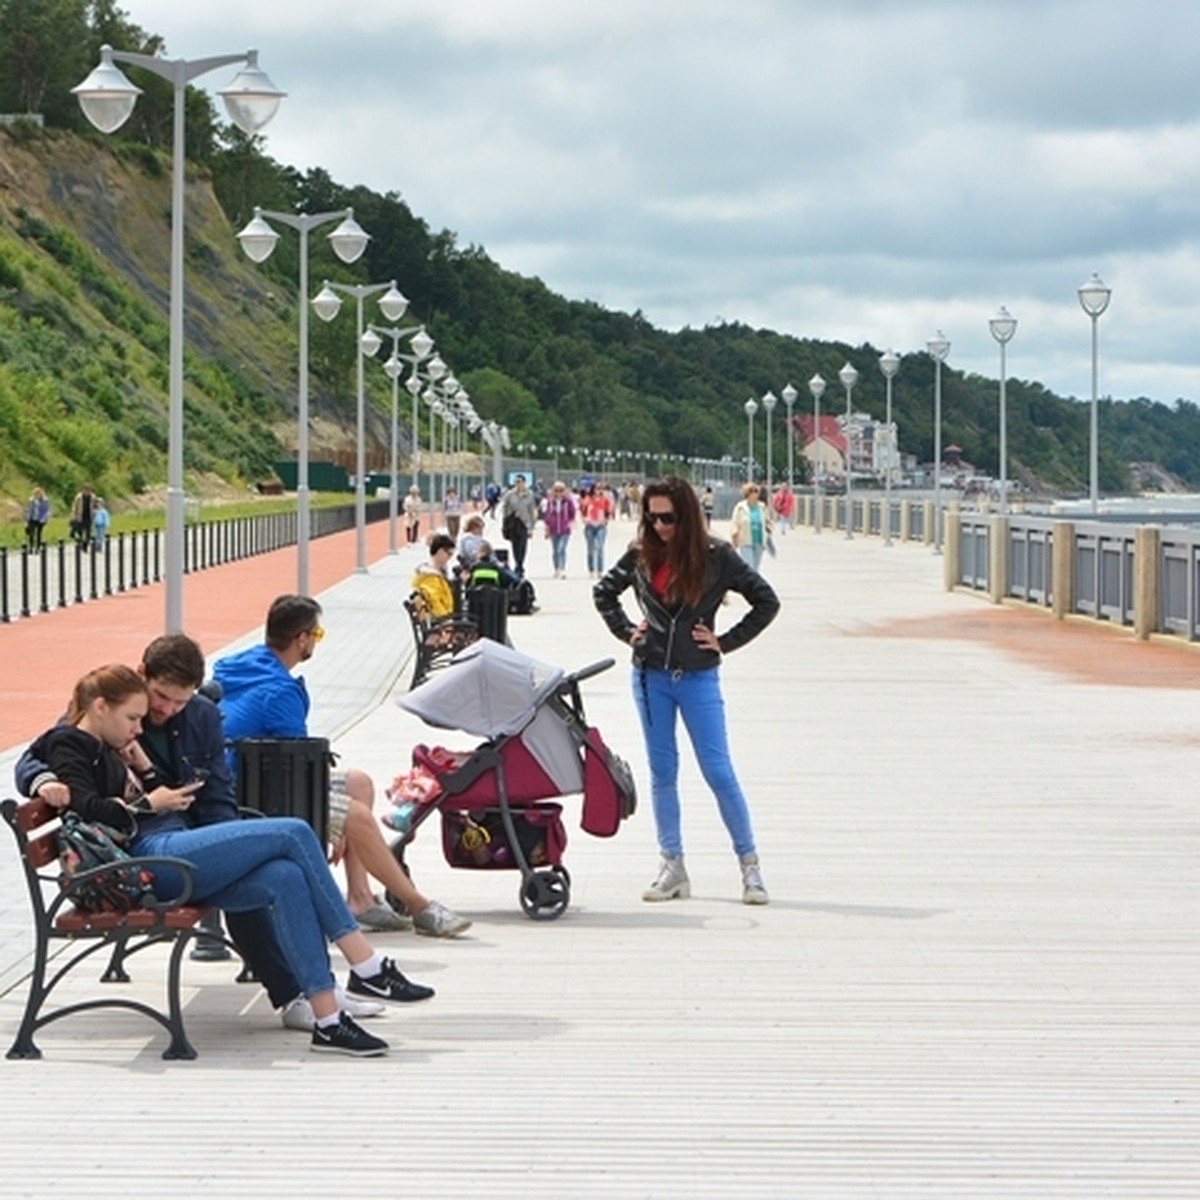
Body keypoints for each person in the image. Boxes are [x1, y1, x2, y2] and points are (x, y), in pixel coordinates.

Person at [28, 663, 435, 1056]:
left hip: (175, 847)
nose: (140, 726)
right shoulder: (74, 741)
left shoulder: (117, 743)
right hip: (155, 860)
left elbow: (146, 794)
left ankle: (327, 1022)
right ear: (102, 707)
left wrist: (146, 769)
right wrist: (46, 781)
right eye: (132, 718)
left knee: (286, 874)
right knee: (294, 831)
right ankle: (367, 965)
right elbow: (81, 799)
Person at [214, 595, 472, 939]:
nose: (316, 643)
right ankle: (420, 907)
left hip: (249, 778)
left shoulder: (243, 666)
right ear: (301, 639)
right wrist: (330, 823)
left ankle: (360, 899)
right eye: (316, 636)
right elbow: (300, 764)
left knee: (359, 784)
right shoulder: (278, 691)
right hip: (250, 797)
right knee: (356, 816)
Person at [593, 476, 780, 905]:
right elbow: (604, 592)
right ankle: (672, 864)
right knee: (663, 772)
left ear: (688, 516)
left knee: (718, 771)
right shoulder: (641, 554)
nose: (660, 526)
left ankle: (750, 866)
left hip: (698, 677)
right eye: (652, 517)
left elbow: (766, 601)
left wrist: (724, 642)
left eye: (669, 518)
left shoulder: (717, 555)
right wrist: (627, 632)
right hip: (650, 676)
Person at [411, 532, 458, 618]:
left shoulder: (430, 572)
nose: (450, 558)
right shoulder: (431, 577)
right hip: (441, 623)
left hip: (441, 620)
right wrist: (447, 621)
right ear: (440, 551)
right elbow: (435, 602)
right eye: (449, 554)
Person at [729, 483, 774, 572]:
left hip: (759, 541)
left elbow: (768, 520)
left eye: (756, 492)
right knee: (750, 566)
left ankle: (750, 584)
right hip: (745, 540)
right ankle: (748, 584)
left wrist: (769, 529)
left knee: (755, 568)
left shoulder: (762, 507)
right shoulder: (740, 507)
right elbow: (735, 522)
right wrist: (734, 535)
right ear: (747, 494)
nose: (755, 494)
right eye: (752, 492)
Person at [500, 475, 539, 576]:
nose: (518, 484)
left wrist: (532, 526)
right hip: (513, 524)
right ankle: (518, 564)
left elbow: (531, 510)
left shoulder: (529, 494)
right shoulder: (510, 494)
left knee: (523, 546)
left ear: (524, 483)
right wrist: (506, 520)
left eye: (520, 481)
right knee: (515, 546)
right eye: (516, 482)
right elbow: (505, 509)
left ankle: (520, 564)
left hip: (524, 523)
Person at [541, 481, 577, 579]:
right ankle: (556, 568)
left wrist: (570, 523)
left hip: (564, 529)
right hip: (553, 529)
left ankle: (562, 569)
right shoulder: (550, 501)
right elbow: (547, 515)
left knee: (561, 549)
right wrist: (546, 528)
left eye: (561, 490)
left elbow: (572, 513)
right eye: (556, 490)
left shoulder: (568, 501)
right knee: (555, 550)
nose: (558, 493)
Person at [579, 481, 614, 579]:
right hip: (590, 525)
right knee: (590, 549)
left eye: (600, 488)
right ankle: (591, 569)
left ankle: (599, 570)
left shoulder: (605, 500)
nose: (598, 490)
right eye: (597, 488)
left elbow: (608, 511)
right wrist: (584, 520)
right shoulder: (587, 499)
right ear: (593, 489)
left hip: (600, 526)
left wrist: (606, 520)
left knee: (600, 548)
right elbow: (582, 510)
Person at [24, 487, 50, 551]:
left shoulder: (45, 500)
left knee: (39, 533)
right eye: (36, 494)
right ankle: (31, 547)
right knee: (31, 533)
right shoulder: (31, 500)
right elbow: (29, 510)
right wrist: (27, 520)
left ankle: (38, 547)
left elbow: (46, 510)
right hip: (32, 518)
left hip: (40, 519)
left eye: (38, 493)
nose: (37, 495)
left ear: (41, 494)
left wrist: (44, 519)